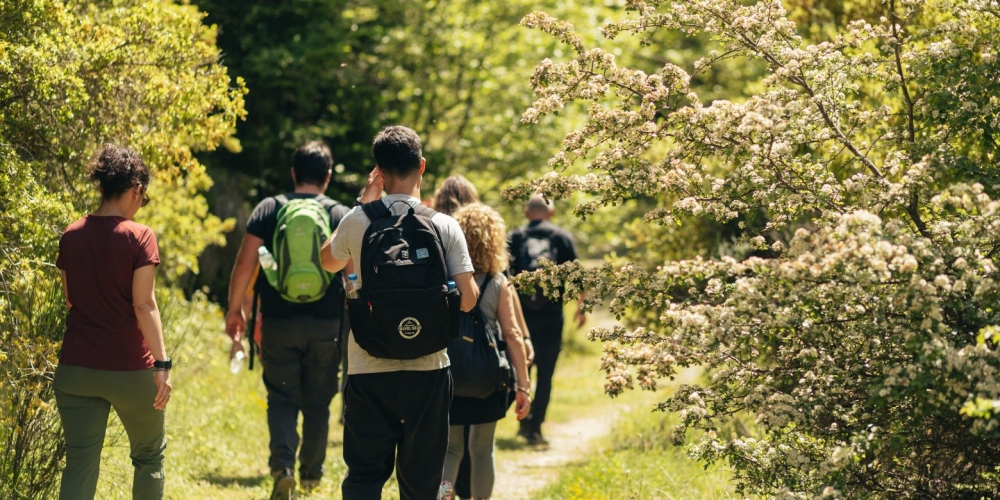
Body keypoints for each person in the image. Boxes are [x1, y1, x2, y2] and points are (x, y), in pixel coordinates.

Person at [320, 125, 478, 500]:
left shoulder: (358, 220)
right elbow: (468, 299)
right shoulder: (444, 225)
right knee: (422, 483)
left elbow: (327, 260)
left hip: (368, 366)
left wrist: (363, 201)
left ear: (378, 170)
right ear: (421, 166)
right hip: (429, 370)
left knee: (364, 476)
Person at [224, 141, 349, 499]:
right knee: (318, 403)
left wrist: (235, 310)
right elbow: (350, 275)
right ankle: (312, 476)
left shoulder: (270, 208)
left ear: (293, 173)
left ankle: (283, 468)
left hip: (278, 322)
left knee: (281, 398)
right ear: (327, 176)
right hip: (326, 323)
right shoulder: (339, 214)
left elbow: (244, 265)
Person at [54, 144, 171, 500]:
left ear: (103, 186)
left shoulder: (71, 234)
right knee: (149, 457)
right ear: (136, 189)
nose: (141, 204)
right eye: (143, 198)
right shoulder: (140, 236)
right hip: (130, 370)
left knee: (79, 462)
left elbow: (71, 298)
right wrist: (162, 364)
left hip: (76, 369)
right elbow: (144, 304)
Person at [432, 175, 536, 500]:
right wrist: (523, 385)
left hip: (449, 372)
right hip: (487, 377)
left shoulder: (443, 277)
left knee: (450, 449)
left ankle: (444, 497)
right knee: (482, 449)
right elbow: (513, 335)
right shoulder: (498, 282)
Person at [508, 194, 585, 446]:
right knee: (545, 373)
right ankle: (535, 427)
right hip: (551, 316)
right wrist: (581, 309)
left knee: (522, 370)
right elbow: (578, 278)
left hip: (520, 317)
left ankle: (523, 422)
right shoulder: (562, 237)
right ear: (551, 213)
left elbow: (502, 278)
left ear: (526, 212)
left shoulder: (514, 237)